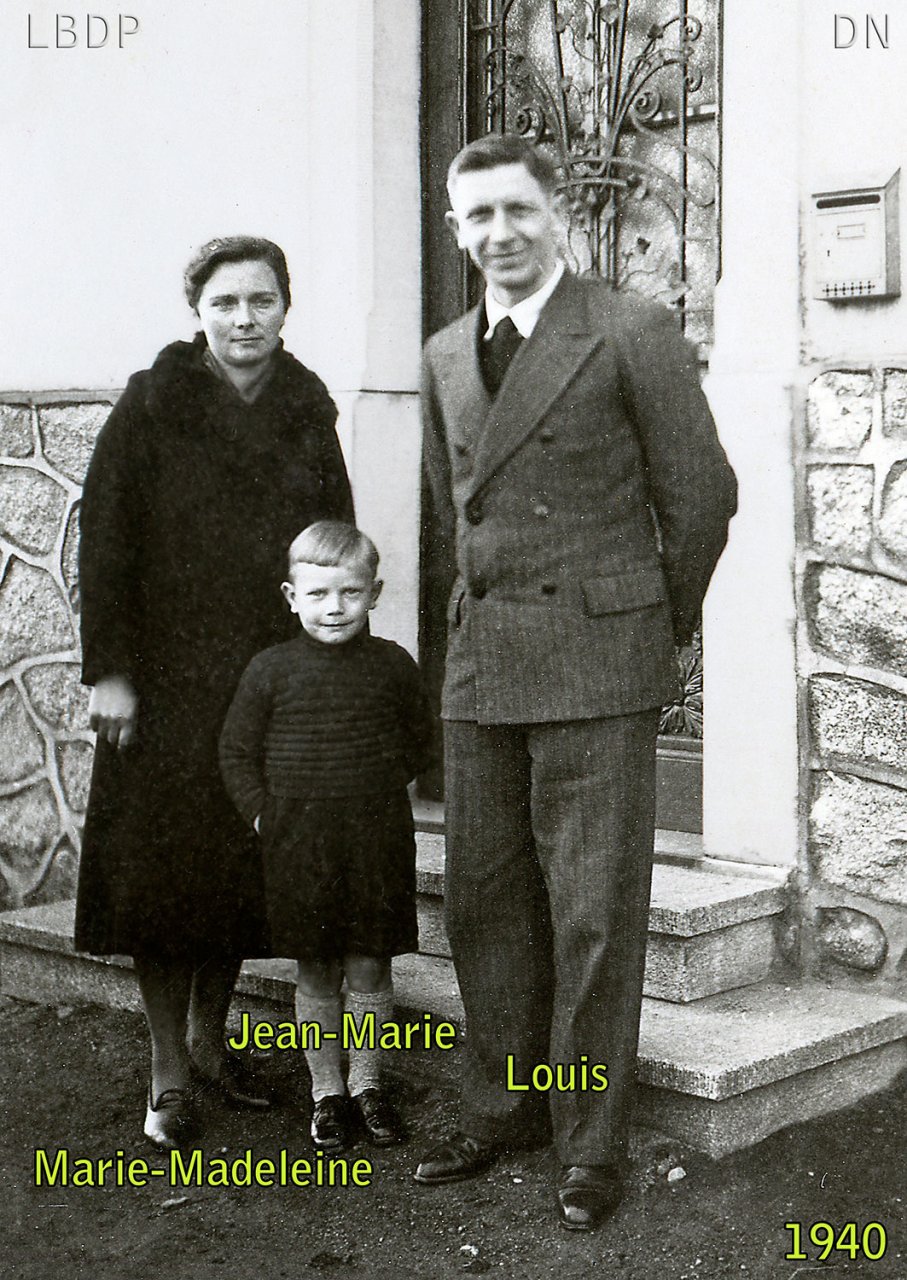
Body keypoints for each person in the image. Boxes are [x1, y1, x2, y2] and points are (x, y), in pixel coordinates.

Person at [413, 135, 738, 1230]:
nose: (498, 233)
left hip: (598, 663)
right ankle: (501, 1105)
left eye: (517, 209)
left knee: (593, 912)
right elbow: (453, 509)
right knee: (483, 902)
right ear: (456, 231)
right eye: (477, 216)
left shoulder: (629, 330)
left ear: (556, 214)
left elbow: (701, 495)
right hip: (483, 664)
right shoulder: (445, 352)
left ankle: (587, 1141)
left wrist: (645, 620)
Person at [76, 236, 354, 1151]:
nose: (245, 319)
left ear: (286, 306)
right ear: (197, 311)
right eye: (226, 302)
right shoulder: (152, 401)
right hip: (163, 683)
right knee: (164, 879)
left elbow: (334, 539)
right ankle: (166, 1072)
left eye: (261, 300)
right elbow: (105, 541)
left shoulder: (307, 404)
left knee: (238, 871)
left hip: (267, 676)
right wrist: (112, 673)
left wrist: (325, 666)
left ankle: (210, 1041)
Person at [219, 521, 435, 1152]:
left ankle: (367, 1085)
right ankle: (326, 1093)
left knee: (369, 961)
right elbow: (236, 752)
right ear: (292, 597)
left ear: (375, 593)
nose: (334, 607)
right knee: (315, 966)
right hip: (299, 846)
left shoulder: (393, 665)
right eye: (317, 594)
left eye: (349, 592)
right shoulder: (270, 670)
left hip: (375, 840)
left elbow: (422, 741)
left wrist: (374, 786)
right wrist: (265, 817)